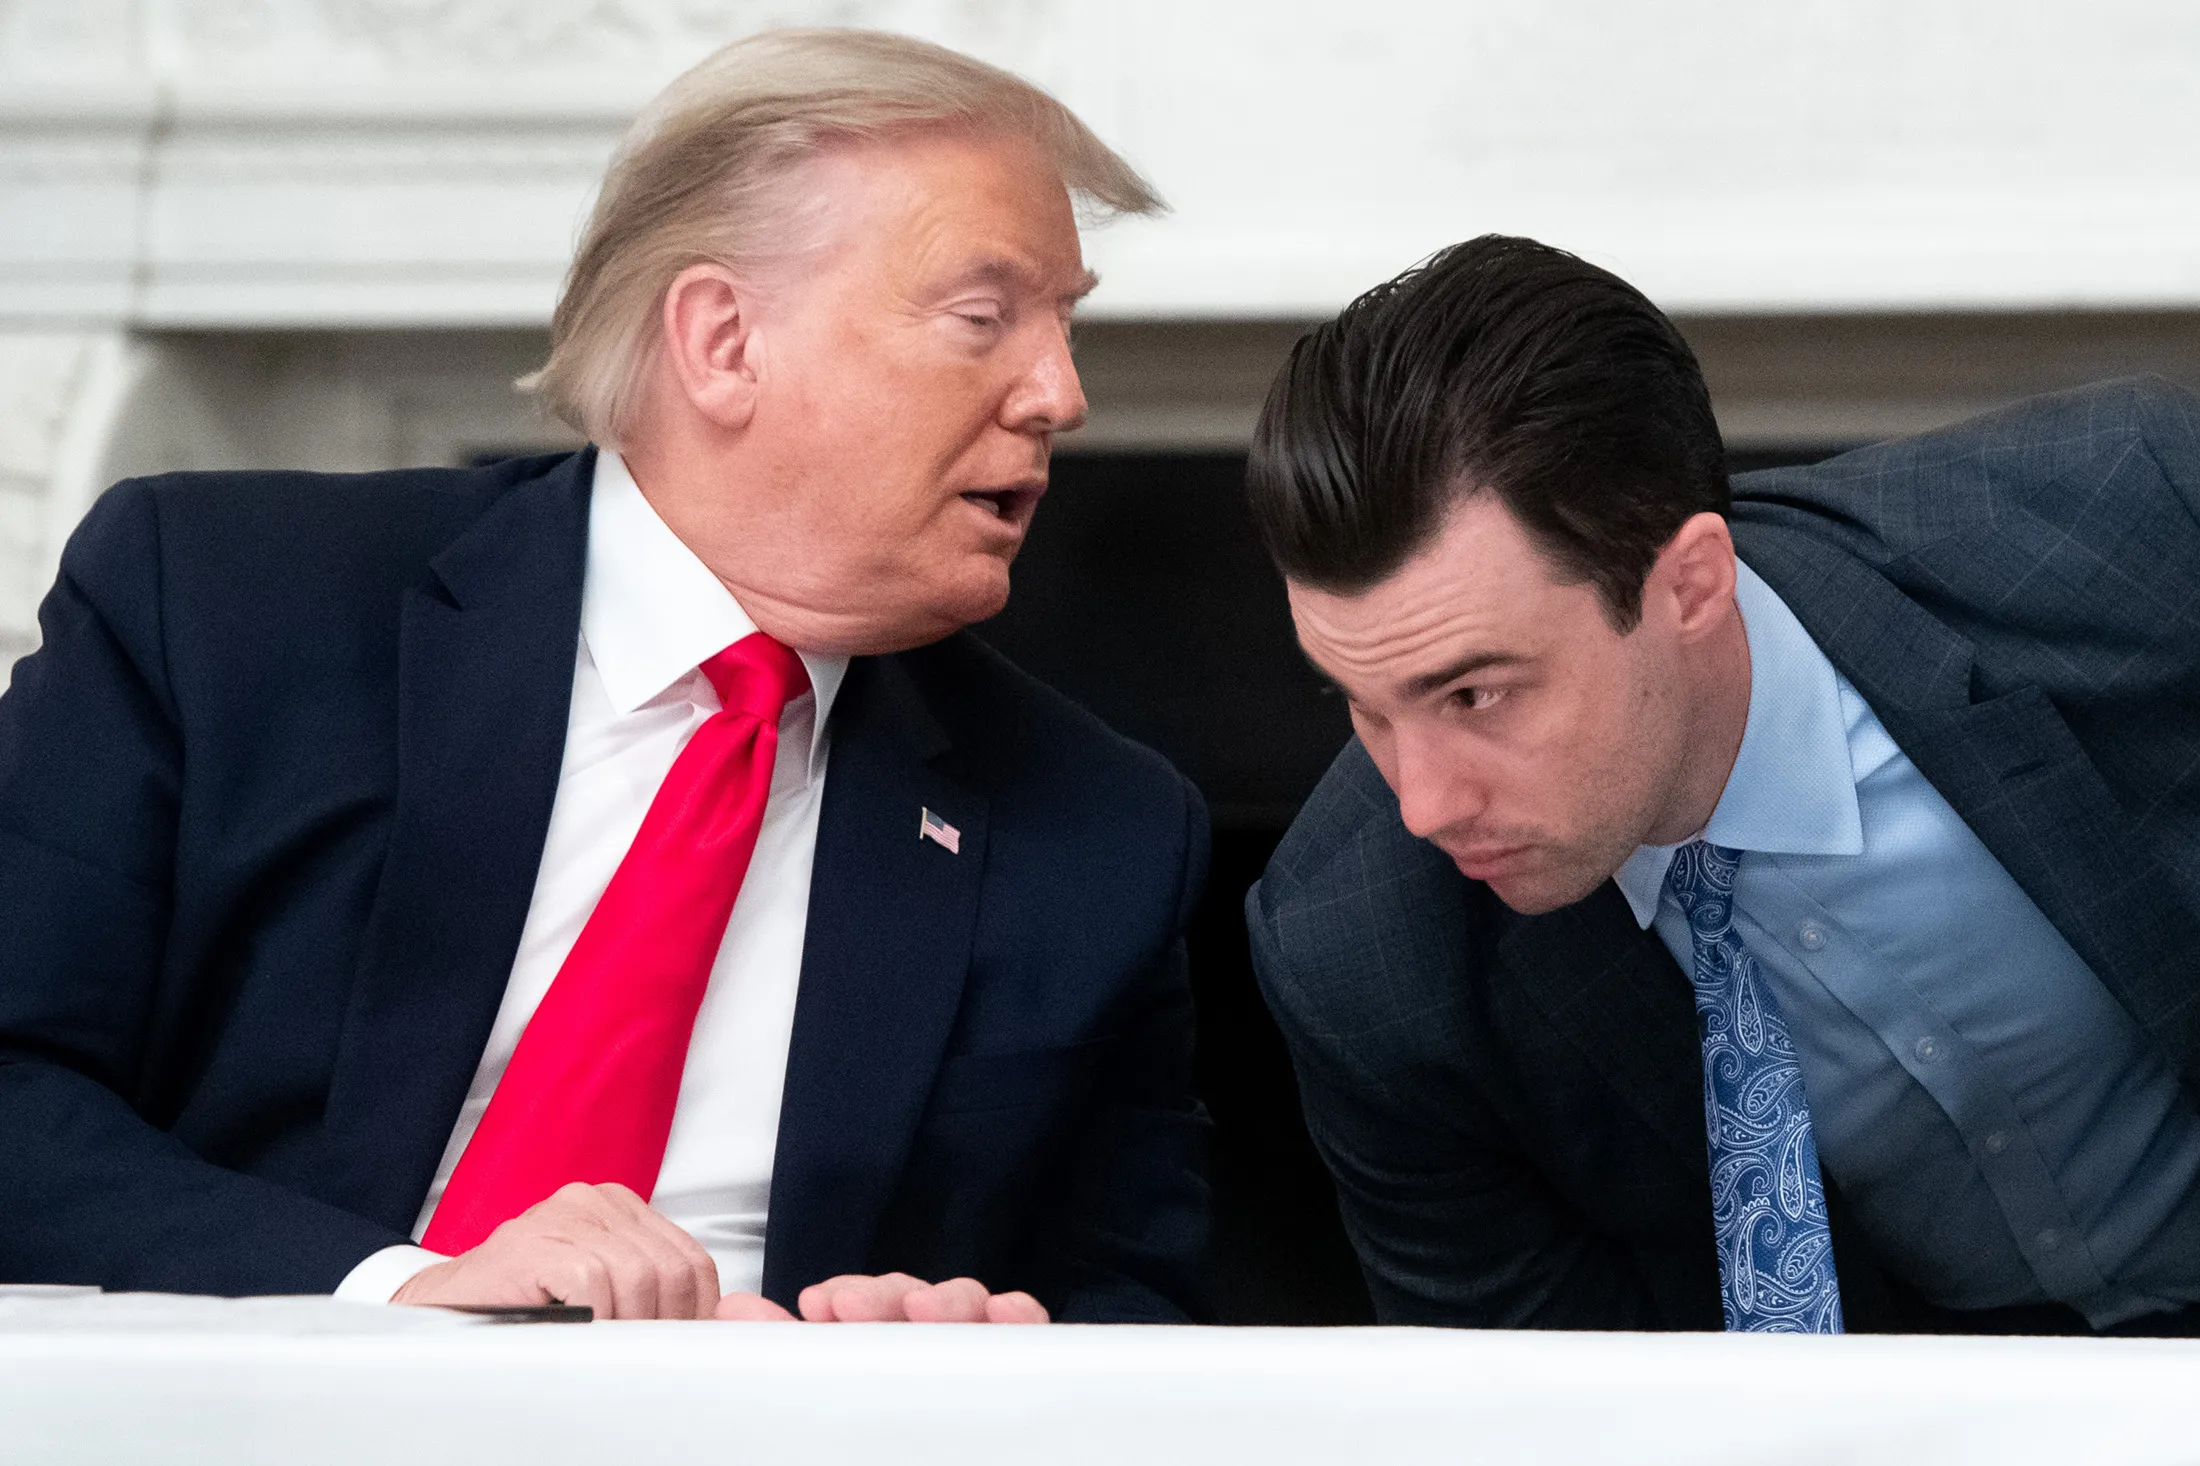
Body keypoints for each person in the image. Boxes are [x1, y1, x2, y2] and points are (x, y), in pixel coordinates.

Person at [0, 29, 1210, 1325]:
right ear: (723, 340)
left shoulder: (1101, 827)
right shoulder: (230, 602)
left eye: (1064, 325)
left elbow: (1130, 1303)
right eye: (985, 319)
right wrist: (402, 1289)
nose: (1061, 394)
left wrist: (977, 1351)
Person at [1242, 233, 2200, 1335]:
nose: (1423, 803)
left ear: (1691, 582)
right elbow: (1534, 1412)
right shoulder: (1359, 951)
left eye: (1475, 696)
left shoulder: (2139, 523)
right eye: (1363, 706)